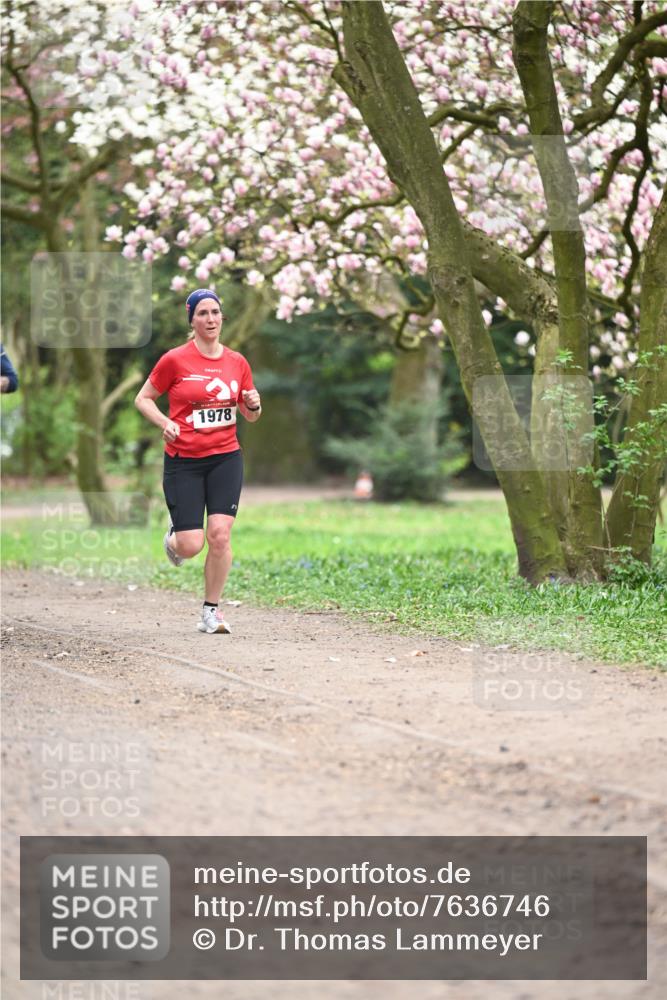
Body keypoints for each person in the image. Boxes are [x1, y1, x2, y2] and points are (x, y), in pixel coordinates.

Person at [135, 288, 261, 634]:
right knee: (191, 545)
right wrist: (165, 423)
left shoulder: (237, 362)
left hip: (226, 458)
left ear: (222, 317)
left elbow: (250, 415)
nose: (210, 319)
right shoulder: (174, 360)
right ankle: (173, 538)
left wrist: (253, 404)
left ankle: (211, 611)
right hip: (184, 461)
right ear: (191, 320)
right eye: (202, 313)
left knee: (219, 535)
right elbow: (143, 398)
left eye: (215, 312)